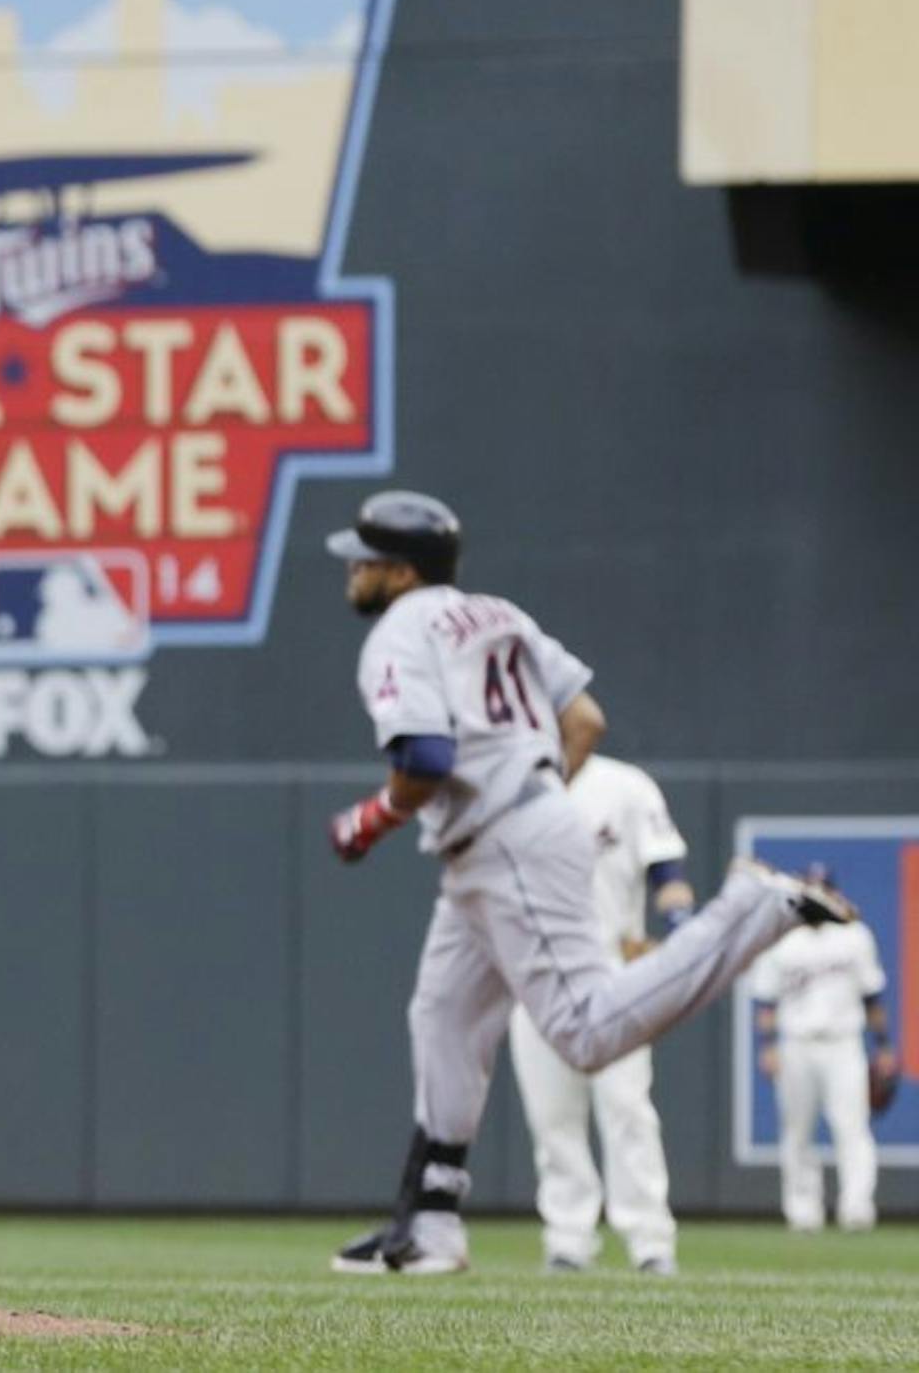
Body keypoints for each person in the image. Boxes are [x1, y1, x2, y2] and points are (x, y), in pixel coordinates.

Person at [319, 490, 853, 1277]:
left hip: (502, 836)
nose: (353, 571)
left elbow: (426, 760)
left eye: (364, 559)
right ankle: (430, 1223)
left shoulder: (400, 630)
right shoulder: (498, 612)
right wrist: (534, 787)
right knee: (443, 1016)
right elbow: (588, 720)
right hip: (509, 832)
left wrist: (369, 819)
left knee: (585, 1030)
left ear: (399, 571)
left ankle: (754, 910)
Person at [506, 754, 693, 1275]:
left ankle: (651, 1241)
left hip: (612, 969)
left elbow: (667, 869)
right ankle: (568, 1240)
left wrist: (680, 931)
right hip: (537, 971)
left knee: (627, 1107)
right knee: (552, 1116)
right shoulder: (509, 784)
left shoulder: (625, 785)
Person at [751, 870, 899, 1233]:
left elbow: (872, 996)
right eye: (812, 892)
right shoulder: (781, 939)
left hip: (843, 1043)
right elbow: (766, 1002)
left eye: (824, 891)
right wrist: (766, 1046)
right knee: (797, 1131)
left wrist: (883, 1045)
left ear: (835, 895)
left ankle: (857, 1207)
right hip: (796, 1043)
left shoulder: (854, 936)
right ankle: (803, 1211)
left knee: (852, 1127)